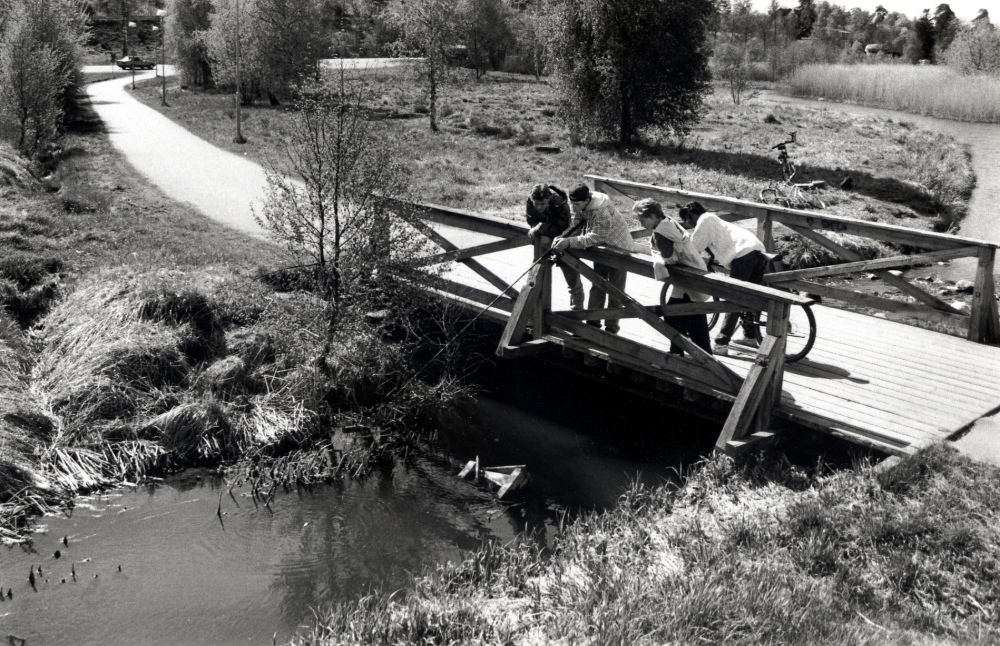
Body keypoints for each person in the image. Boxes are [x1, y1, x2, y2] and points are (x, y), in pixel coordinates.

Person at [678, 201, 767, 355]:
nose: (689, 225)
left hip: (743, 253)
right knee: (748, 297)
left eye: (687, 221)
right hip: (757, 250)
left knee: (733, 299)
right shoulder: (712, 219)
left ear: (690, 215)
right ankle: (750, 335)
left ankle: (721, 343)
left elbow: (693, 249)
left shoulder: (704, 220)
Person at [551, 183, 636, 334]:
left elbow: (596, 237)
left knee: (615, 291)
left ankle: (611, 329)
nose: (574, 207)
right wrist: (561, 237)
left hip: (619, 252)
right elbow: (575, 224)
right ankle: (592, 325)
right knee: (597, 286)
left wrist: (569, 242)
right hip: (603, 251)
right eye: (572, 204)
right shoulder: (580, 206)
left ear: (587, 200)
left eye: (576, 204)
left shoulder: (601, 211)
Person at [632, 198, 711, 356]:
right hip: (692, 269)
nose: (641, 224)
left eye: (642, 220)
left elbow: (668, 257)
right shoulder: (666, 221)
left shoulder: (662, 231)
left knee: (680, 315)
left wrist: (658, 261)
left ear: (653, 216)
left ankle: (693, 354)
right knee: (689, 314)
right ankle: (697, 354)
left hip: (690, 275)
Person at [525, 184, 585, 310]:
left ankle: (577, 313)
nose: (539, 207)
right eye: (536, 204)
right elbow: (531, 220)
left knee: (572, 279)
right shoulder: (531, 201)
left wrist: (541, 228)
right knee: (534, 276)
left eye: (542, 204)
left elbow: (563, 228)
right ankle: (533, 312)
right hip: (544, 242)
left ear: (549, 198)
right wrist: (540, 229)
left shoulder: (560, 204)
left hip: (564, 242)